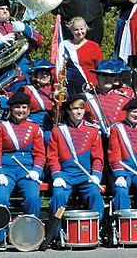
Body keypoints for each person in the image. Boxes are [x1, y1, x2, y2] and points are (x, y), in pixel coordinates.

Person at [0, 91, 45, 246]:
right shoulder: (1, 127)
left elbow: (40, 154)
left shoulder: (34, 128)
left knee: (33, 198)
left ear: (28, 109)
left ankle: (30, 234)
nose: (21, 110)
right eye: (17, 107)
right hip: (5, 169)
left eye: (24, 107)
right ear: (11, 109)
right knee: (0, 199)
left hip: (27, 169)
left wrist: (37, 170)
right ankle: (0, 237)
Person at [47, 94, 105, 240]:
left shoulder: (93, 131)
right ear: (68, 111)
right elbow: (52, 157)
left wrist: (96, 175)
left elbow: (98, 157)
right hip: (65, 174)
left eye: (81, 108)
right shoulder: (58, 131)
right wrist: (56, 175)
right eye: (75, 109)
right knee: (58, 196)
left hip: (85, 175)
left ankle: (94, 231)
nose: (79, 112)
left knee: (95, 195)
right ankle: (55, 234)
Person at [84, 60, 131, 136]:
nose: (108, 79)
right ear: (97, 76)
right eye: (105, 75)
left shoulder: (124, 99)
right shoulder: (87, 97)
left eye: (111, 76)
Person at [60, 16, 104, 95]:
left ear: (86, 28)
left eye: (82, 29)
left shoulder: (94, 46)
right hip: (70, 88)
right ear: (71, 30)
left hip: (89, 87)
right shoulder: (64, 45)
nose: (79, 32)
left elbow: (101, 68)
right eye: (76, 29)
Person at [17, 58, 55, 142]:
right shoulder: (27, 90)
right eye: (41, 73)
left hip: (52, 125)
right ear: (35, 75)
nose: (45, 76)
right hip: (33, 125)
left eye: (47, 73)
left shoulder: (56, 89)